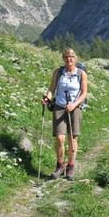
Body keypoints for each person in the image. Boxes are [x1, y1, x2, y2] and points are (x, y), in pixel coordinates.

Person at [41, 48, 88, 180]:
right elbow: (52, 89)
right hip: (59, 106)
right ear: (63, 58)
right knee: (60, 138)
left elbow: (84, 93)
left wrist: (74, 104)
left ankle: (71, 166)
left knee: (72, 139)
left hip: (75, 107)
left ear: (76, 58)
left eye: (72, 56)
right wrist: (47, 98)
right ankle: (60, 165)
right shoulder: (58, 72)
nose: (69, 59)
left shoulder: (81, 74)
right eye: (66, 57)